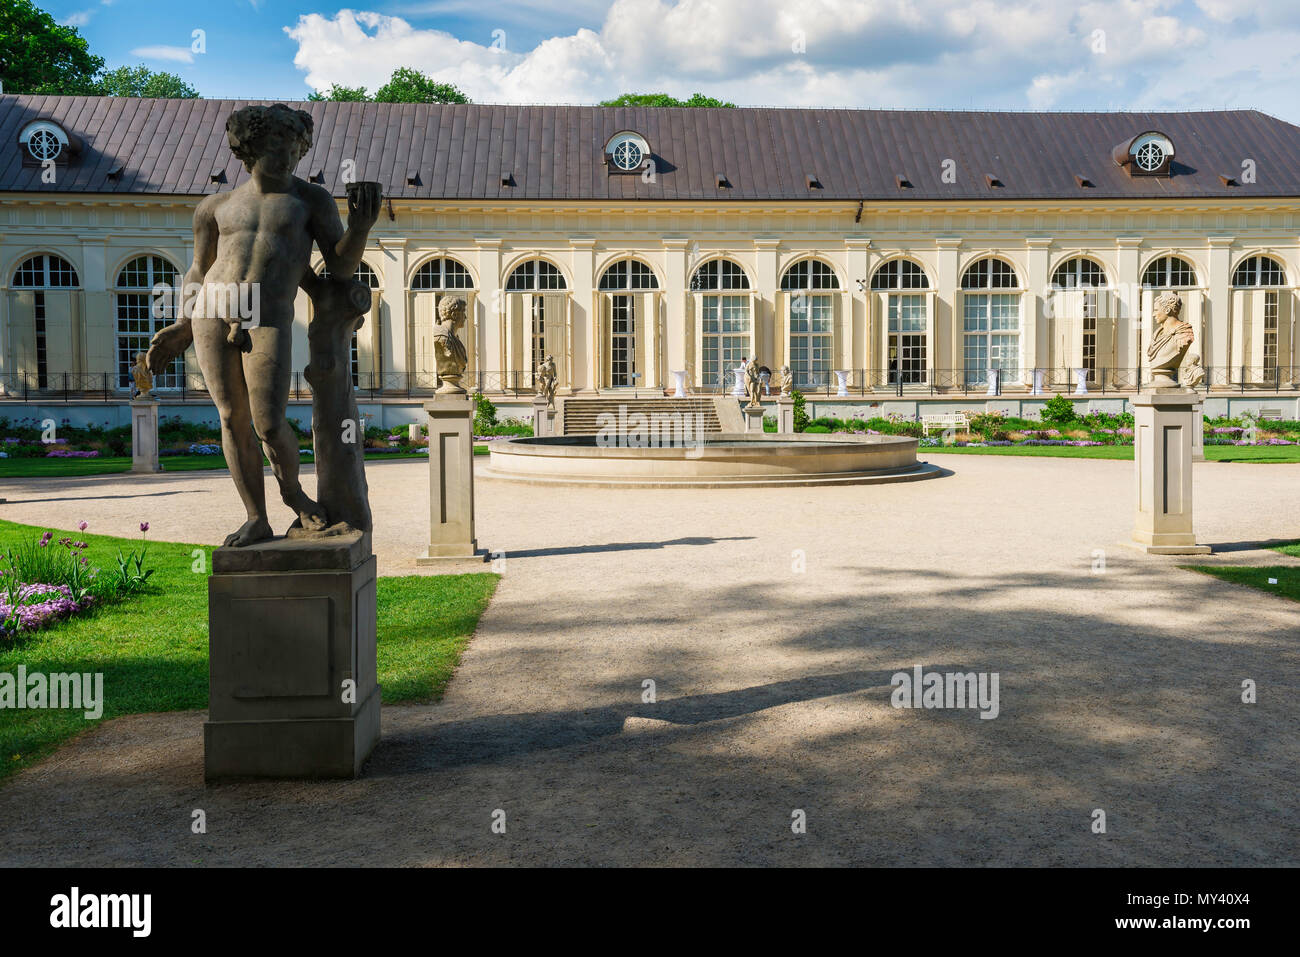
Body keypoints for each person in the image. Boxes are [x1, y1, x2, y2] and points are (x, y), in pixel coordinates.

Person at [146, 104, 381, 546]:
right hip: (212, 309)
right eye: (278, 144)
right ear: (249, 147)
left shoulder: (311, 199)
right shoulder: (216, 206)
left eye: (295, 146)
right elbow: (199, 270)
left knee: (269, 422)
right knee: (232, 418)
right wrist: (183, 323)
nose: (289, 154)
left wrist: (362, 226)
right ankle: (257, 517)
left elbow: (341, 267)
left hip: (266, 313)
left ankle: (293, 494)